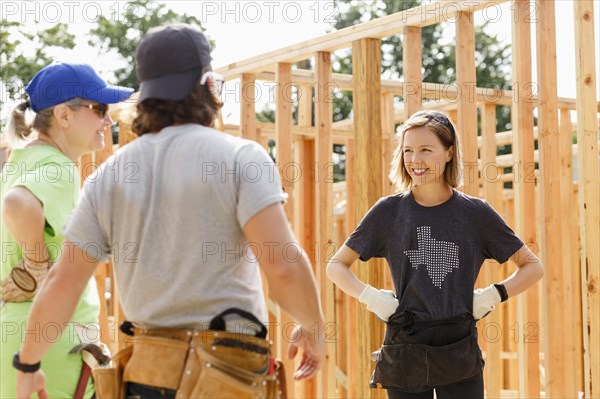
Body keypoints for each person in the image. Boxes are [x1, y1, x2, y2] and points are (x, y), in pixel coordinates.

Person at [15, 24, 326, 399]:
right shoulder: (241, 158)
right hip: (229, 373)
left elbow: (63, 281)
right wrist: (313, 327)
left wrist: (29, 364)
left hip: (148, 372)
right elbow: (282, 265)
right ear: (210, 86)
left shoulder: (111, 174)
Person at [327, 110, 544, 399]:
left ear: (449, 152)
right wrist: (372, 298)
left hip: (459, 344)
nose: (415, 160)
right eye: (408, 151)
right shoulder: (389, 212)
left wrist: (493, 295)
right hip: (405, 343)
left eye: (426, 150)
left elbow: (533, 266)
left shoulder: (475, 213)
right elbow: (336, 266)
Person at [1, 62, 133, 398]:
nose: (108, 120)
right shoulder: (57, 167)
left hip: (19, 337)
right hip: (53, 345)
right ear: (64, 115)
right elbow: (17, 204)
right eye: (99, 109)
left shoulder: (20, 161)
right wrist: (35, 263)